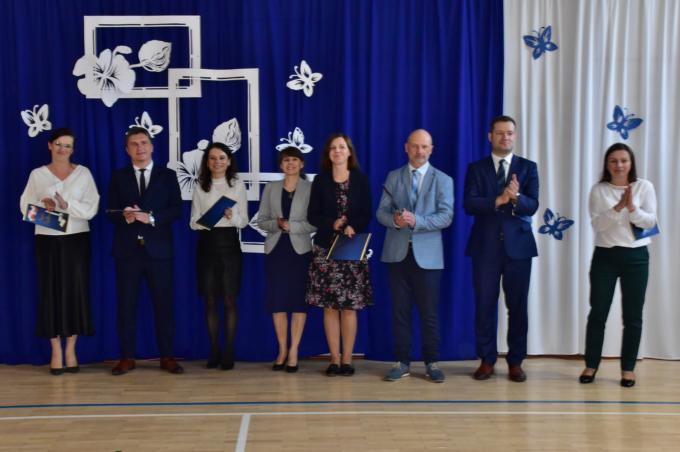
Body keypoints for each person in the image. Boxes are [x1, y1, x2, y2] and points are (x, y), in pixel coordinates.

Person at [463, 115, 539, 382]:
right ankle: (487, 359)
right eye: (500, 133)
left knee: (517, 307)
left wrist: (516, 198)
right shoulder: (476, 168)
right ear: (490, 136)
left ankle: (516, 362)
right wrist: (499, 199)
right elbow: (469, 204)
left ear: (515, 136)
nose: (505, 137)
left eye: (509, 133)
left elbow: (533, 205)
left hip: (519, 248)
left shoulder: (528, 167)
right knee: (484, 305)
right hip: (485, 247)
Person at [20, 128, 99, 375]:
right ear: (50, 145)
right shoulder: (38, 175)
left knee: (76, 291)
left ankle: (71, 349)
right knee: (50, 292)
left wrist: (67, 205)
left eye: (67, 145)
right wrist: (43, 205)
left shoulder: (83, 173)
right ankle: (55, 350)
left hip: (76, 239)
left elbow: (92, 208)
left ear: (73, 149)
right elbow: (25, 207)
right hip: (47, 239)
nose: (62, 149)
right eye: (58, 144)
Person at [377, 129, 453, 383]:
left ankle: (432, 362)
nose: (420, 151)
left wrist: (416, 221)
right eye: (415, 146)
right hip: (397, 255)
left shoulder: (443, 180)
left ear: (431, 149)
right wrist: (395, 221)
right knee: (400, 312)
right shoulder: (393, 176)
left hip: (428, 258)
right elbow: (380, 213)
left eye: (424, 147)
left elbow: (446, 216)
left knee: (429, 313)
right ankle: (402, 362)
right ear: (406, 147)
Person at [579, 143, 657, 388]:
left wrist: (632, 208)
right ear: (607, 164)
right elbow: (598, 226)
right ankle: (591, 365)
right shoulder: (599, 190)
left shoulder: (644, 187)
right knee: (598, 313)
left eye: (624, 160)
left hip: (637, 258)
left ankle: (628, 369)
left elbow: (650, 221)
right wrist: (618, 207)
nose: (619, 165)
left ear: (631, 163)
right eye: (613, 161)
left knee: (633, 316)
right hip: (605, 257)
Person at [107, 126, 183, 375]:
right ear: (126, 149)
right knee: (126, 306)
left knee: (164, 306)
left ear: (151, 146)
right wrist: (125, 216)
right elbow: (110, 212)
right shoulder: (118, 176)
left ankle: (167, 356)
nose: (140, 147)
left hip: (159, 252)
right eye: (134, 144)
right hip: (127, 252)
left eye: (144, 143)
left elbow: (176, 210)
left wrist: (150, 218)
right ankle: (127, 357)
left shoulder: (167, 175)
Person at [306, 133, 373, 376]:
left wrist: (353, 225)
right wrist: (331, 223)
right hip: (326, 250)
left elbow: (367, 213)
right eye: (333, 147)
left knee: (349, 308)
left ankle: (347, 360)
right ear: (328, 153)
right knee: (330, 308)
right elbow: (312, 215)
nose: (337, 151)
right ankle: (334, 360)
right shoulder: (320, 180)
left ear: (349, 152)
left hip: (351, 249)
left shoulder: (361, 180)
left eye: (342, 147)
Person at [257, 147, 316, 373]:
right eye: (286, 160)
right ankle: (282, 349)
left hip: (300, 252)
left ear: (302, 163)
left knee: (299, 302)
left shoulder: (310, 188)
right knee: (278, 302)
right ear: (280, 165)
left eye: (294, 159)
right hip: (276, 250)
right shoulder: (271, 188)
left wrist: (293, 226)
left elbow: (315, 222)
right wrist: (276, 224)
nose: (290, 163)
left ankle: (294, 351)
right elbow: (262, 221)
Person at [190, 142, 248, 370]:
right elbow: (192, 222)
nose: (217, 162)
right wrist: (208, 219)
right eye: (213, 158)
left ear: (229, 160)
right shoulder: (200, 186)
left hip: (230, 247)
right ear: (207, 162)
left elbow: (243, 221)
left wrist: (231, 216)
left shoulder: (237, 185)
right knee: (210, 300)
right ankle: (214, 349)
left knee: (230, 300)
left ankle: (229, 351)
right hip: (207, 246)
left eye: (222, 158)